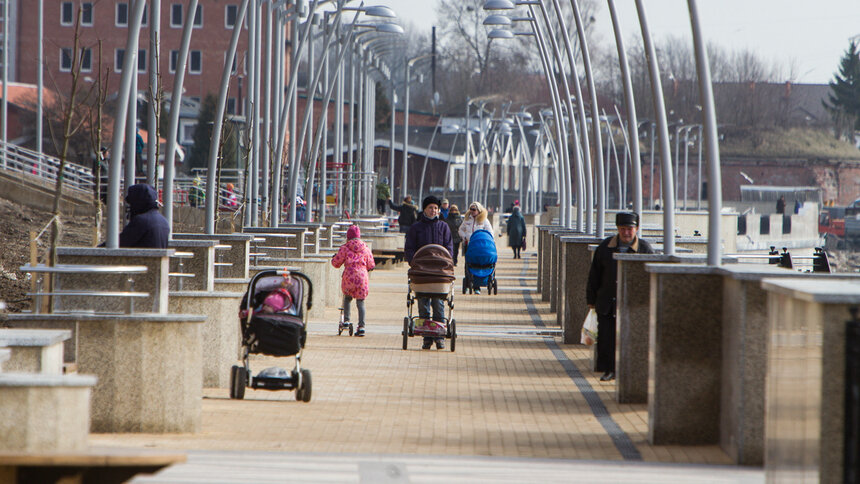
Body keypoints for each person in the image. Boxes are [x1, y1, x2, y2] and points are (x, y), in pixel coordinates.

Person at [586, 212, 654, 382]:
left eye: (630, 229)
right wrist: (591, 300)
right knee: (607, 338)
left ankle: (630, 372)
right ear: (617, 229)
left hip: (633, 304)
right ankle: (609, 370)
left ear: (636, 229)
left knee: (630, 338)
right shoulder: (605, 247)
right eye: (623, 229)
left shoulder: (645, 250)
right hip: (607, 302)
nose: (626, 233)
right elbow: (594, 275)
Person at [404, 196, 453, 350]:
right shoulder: (416, 228)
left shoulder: (443, 227)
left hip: (439, 273)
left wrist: (448, 262)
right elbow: (409, 248)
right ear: (424, 209)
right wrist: (413, 261)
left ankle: (439, 336)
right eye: (431, 208)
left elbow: (449, 248)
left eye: (436, 208)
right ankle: (427, 337)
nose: (433, 210)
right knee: (423, 304)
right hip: (422, 272)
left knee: (439, 304)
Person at [331, 225, 375, 337]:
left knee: (347, 298)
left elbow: (336, 263)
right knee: (361, 302)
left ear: (348, 237)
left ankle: (346, 321)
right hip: (362, 277)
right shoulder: (365, 248)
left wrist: (334, 258)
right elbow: (371, 265)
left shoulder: (345, 248)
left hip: (349, 276)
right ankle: (361, 327)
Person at [118, 183, 170, 248]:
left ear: (138, 202)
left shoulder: (141, 221)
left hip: (140, 258)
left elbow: (120, 243)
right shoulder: (163, 221)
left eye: (131, 203)